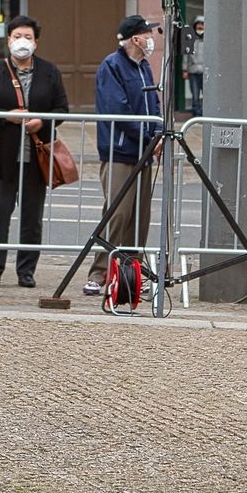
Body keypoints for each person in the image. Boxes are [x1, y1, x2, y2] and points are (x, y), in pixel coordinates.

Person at [0, 15, 69, 289]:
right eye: (17, 36)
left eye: (28, 37)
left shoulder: (49, 71)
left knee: (32, 217)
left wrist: (42, 120)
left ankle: (26, 270)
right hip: (3, 155)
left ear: (36, 42)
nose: (23, 42)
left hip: (36, 155)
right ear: (8, 39)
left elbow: (62, 108)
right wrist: (8, 117)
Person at [84, 15, 165, 296]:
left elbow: (153, 102)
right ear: (135, 38)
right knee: (118, 213)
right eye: (147, 33)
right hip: (120, 151)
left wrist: (159, 131)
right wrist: (148, 134)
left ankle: (131, 274)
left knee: (139, 216)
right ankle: (99, 272)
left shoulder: (144, 68)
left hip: (143, 151)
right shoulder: (112, 66)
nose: (152, 39)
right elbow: (118, 111)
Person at [183, 15, 206, 118]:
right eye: (198, 24)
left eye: (202, 24)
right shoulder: (190, 39)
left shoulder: (209, 40)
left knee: (207, 95)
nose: (200, 27)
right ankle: (196, 114)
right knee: (195, 95)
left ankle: (205, 113)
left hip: (205, 72)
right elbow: (186, 56)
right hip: (193, 71)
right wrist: (185, 69)